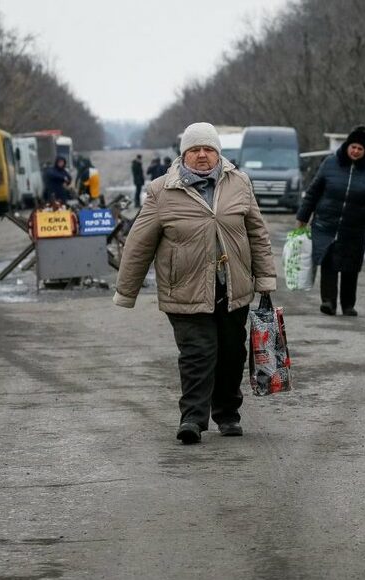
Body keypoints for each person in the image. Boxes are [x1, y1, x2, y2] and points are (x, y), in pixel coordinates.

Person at [113, 122, 276, 445]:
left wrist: (266, 277)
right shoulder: (162, 190)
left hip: (232, 288)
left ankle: (228, 415)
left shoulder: (239, 182)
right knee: (198, 353)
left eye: (208, 149)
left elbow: (257, 233)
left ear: (218, 153)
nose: (202, 155)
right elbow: (139, 243)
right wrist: (126, 290)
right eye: (195, 150)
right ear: (184, 154)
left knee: (231, 353)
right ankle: (192, 418)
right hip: (184, 287)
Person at [296, 125, 365, 316]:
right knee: (329, 263)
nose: (356, 151)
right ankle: (328, 302)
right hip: (326, 224)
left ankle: (348, 305)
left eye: (360, 149)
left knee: (350, 267)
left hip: (355, 229)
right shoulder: (330, 164)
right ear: (347, 146)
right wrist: (303, 216)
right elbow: (313, 191)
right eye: (354, 147)